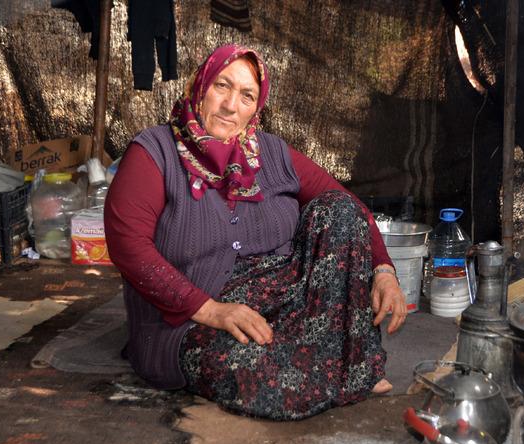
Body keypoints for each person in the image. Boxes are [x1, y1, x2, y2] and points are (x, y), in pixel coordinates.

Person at [104, 44, 407, 420]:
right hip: (191, 318)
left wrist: (383, 269)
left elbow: (349, 205)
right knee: (260, 378)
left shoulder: (271, 152)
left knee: (339, 210)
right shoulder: (155, 152)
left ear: (256, 107)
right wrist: (211, 310)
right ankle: (343, 367)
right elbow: (128, 246)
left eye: (246, 95)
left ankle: (329, 364)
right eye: (222, 86)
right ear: (199, 86)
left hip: (284, 301)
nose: (231, 106)